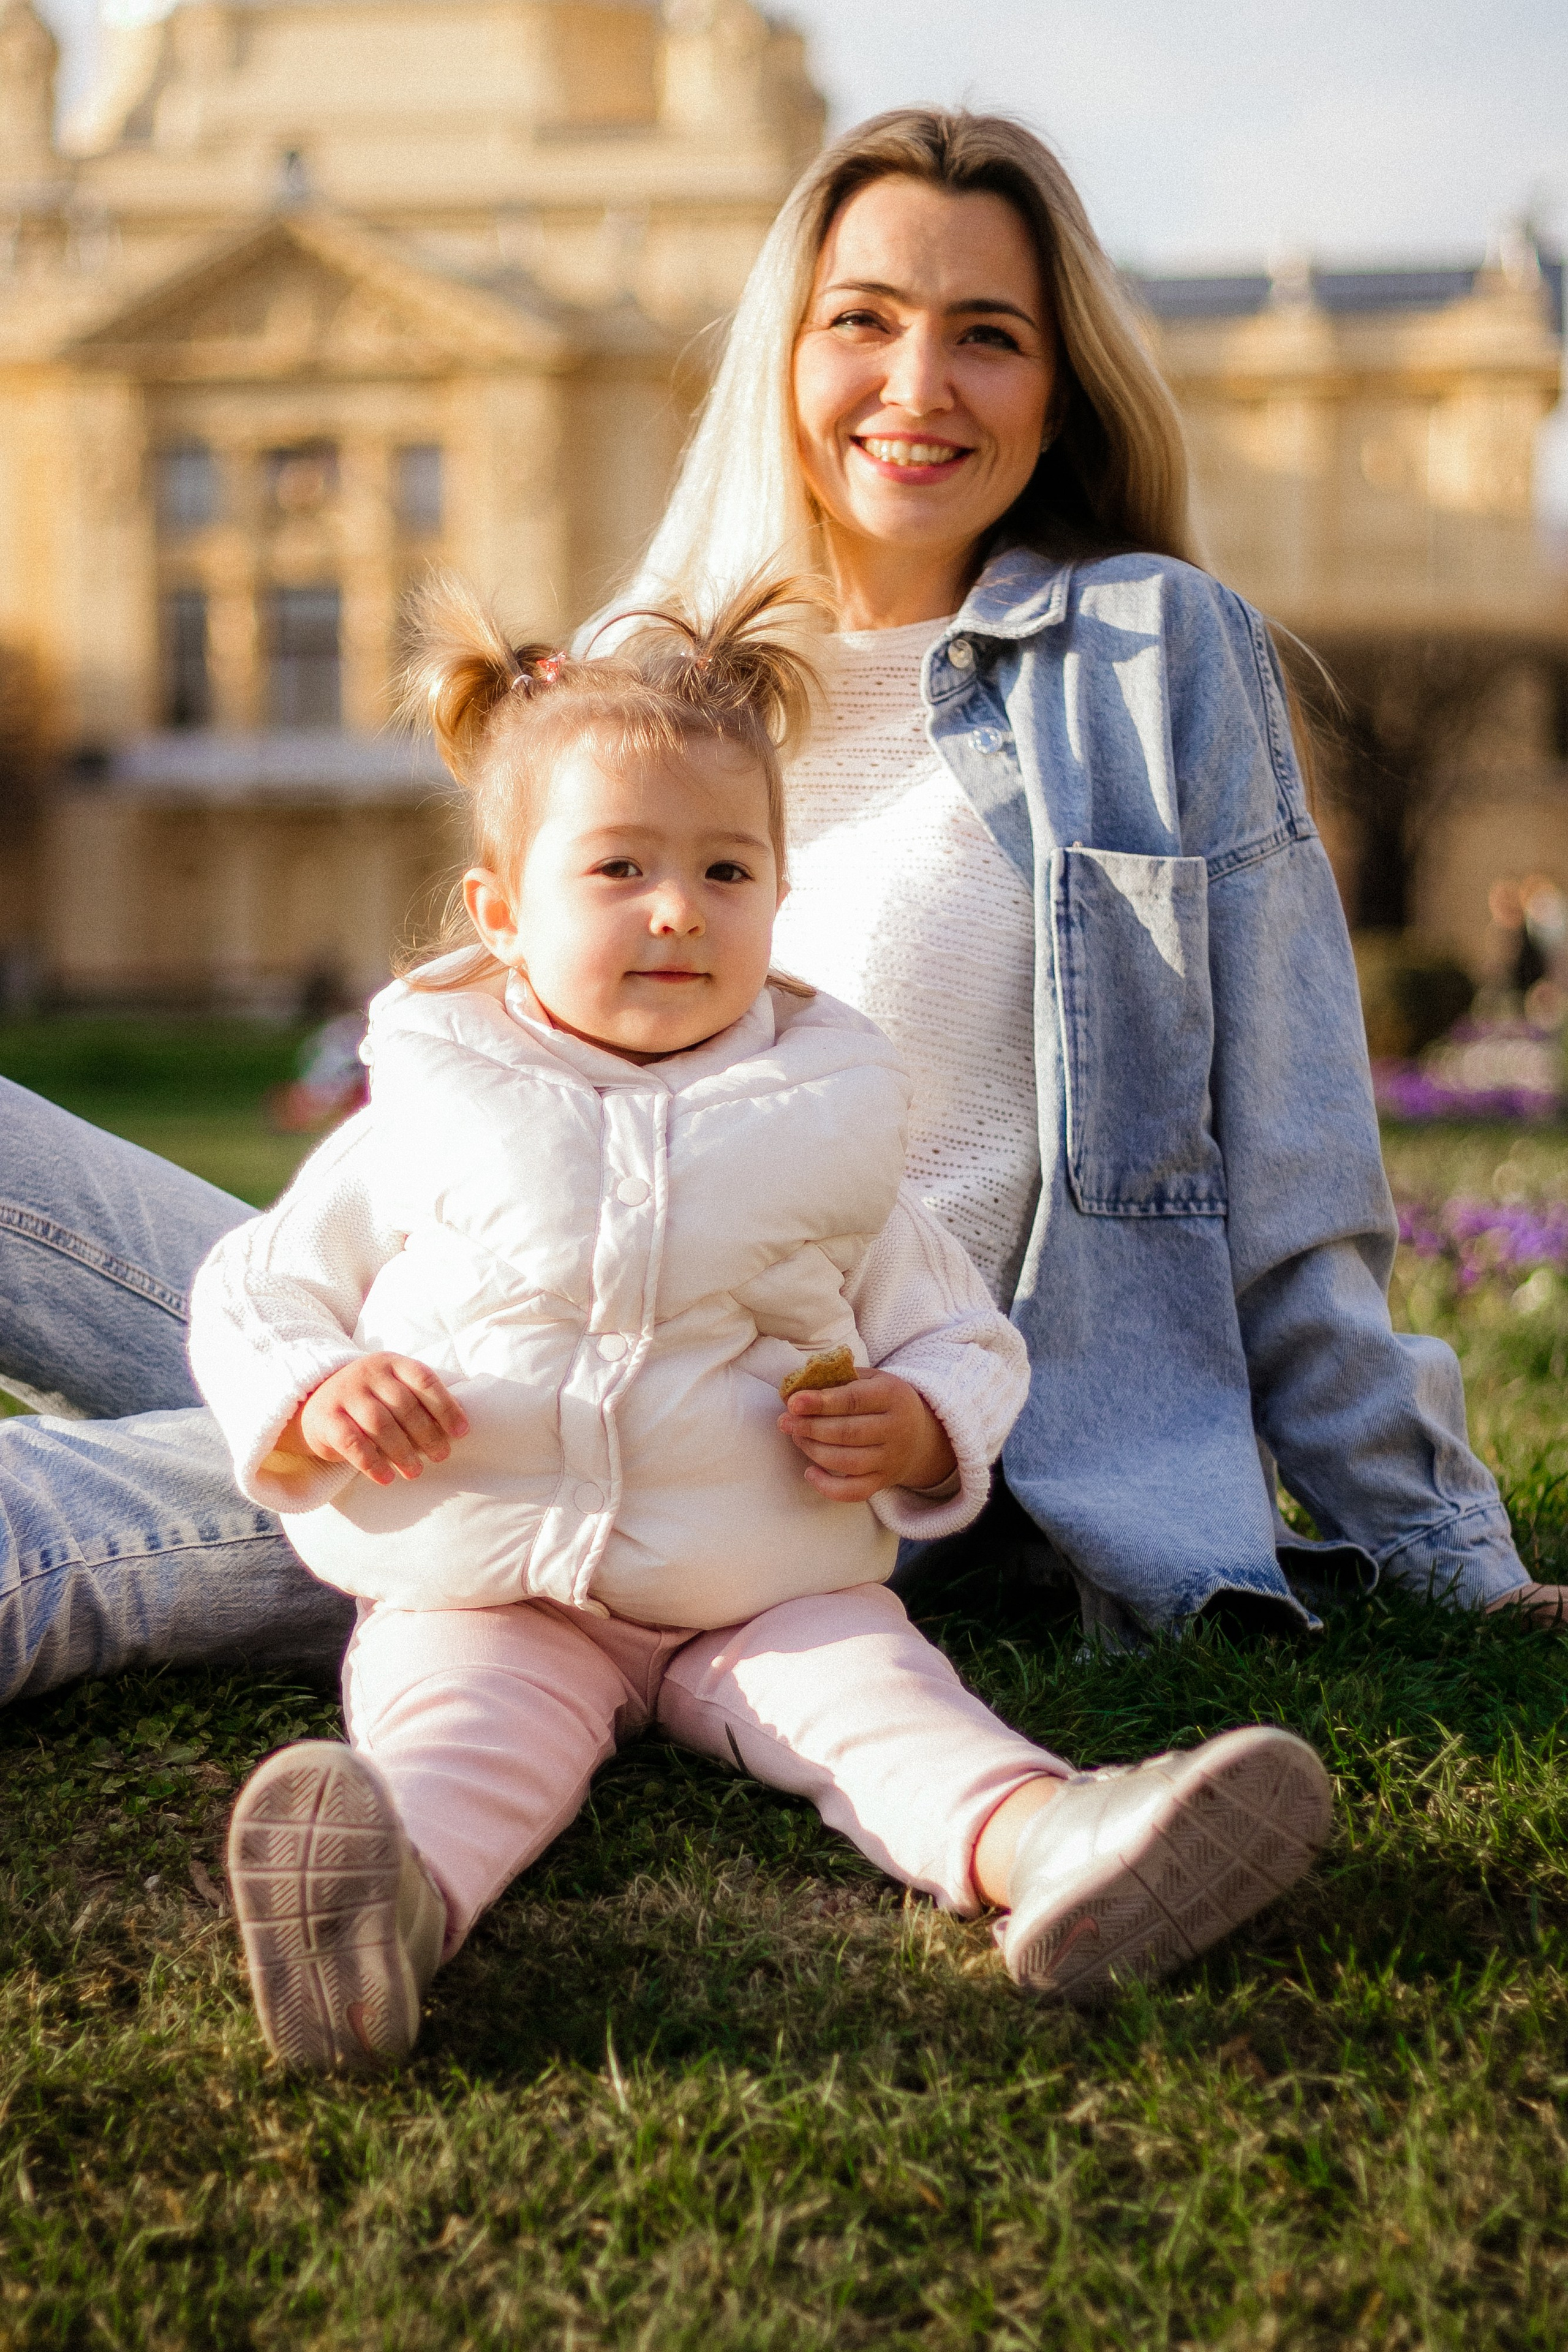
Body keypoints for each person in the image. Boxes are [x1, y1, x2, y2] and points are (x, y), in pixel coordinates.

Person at [0, 104, 1558, 1713]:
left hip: (783, 1438)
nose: (917, 384)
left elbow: (1297, 1164)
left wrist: (1444, 1550)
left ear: (1059, 392)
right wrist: (334, 1341)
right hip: (492, 1318)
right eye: (862, 321)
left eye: (988, 336)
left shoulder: (1146, 653)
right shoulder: (649, 670)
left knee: (60, 1522)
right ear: (782, 358)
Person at [195, 576, 1330, 2067]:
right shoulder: (433, 1108)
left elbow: (961, 1337)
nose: (678, 909)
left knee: (888, 1711)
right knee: (453, 1745)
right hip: (487, 1585)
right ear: (501, 912)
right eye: (618, 868)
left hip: (761, 1584)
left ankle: (1058, 1845)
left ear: (780, 900)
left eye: (726, 870)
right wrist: (316, 1385)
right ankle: (383, 1910)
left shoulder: (825, 1122)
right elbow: (259, 1285)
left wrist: (919, 1426)